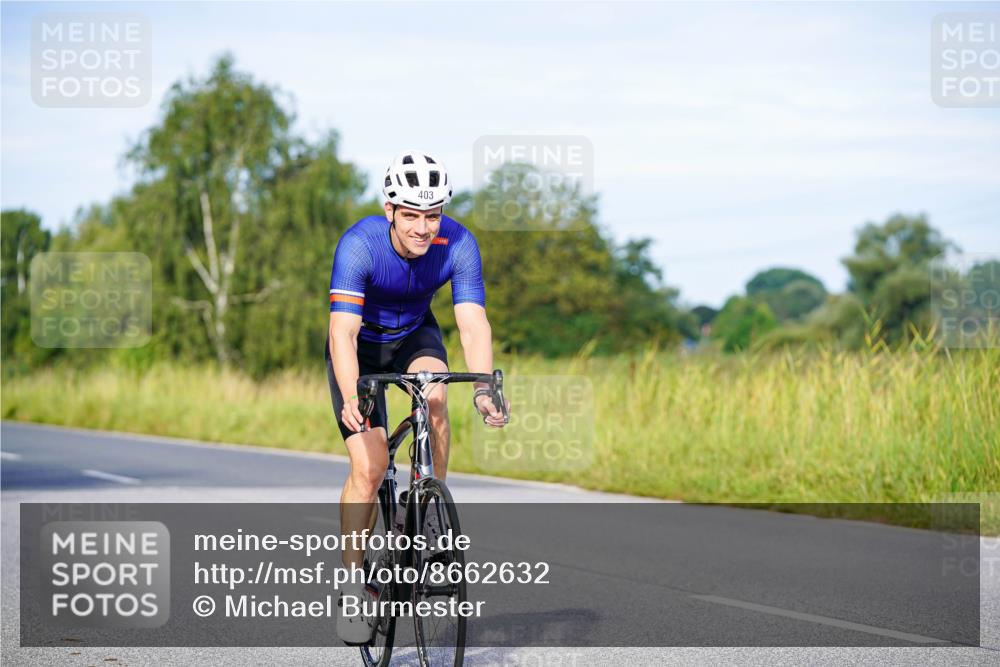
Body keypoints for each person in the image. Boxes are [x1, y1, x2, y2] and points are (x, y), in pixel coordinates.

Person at [326, 149, 508, 644]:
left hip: (413, 338)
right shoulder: (359, 246)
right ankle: (352, 585)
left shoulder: (459, 243)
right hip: (359, 352)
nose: (424, 227)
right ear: (390, 210)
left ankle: (429, 514)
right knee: (368, 466)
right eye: (411, 215)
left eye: (433, 214)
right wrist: (349, 395)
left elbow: (472, 322)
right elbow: (342, 333)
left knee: (435, 395)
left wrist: (485, 386)